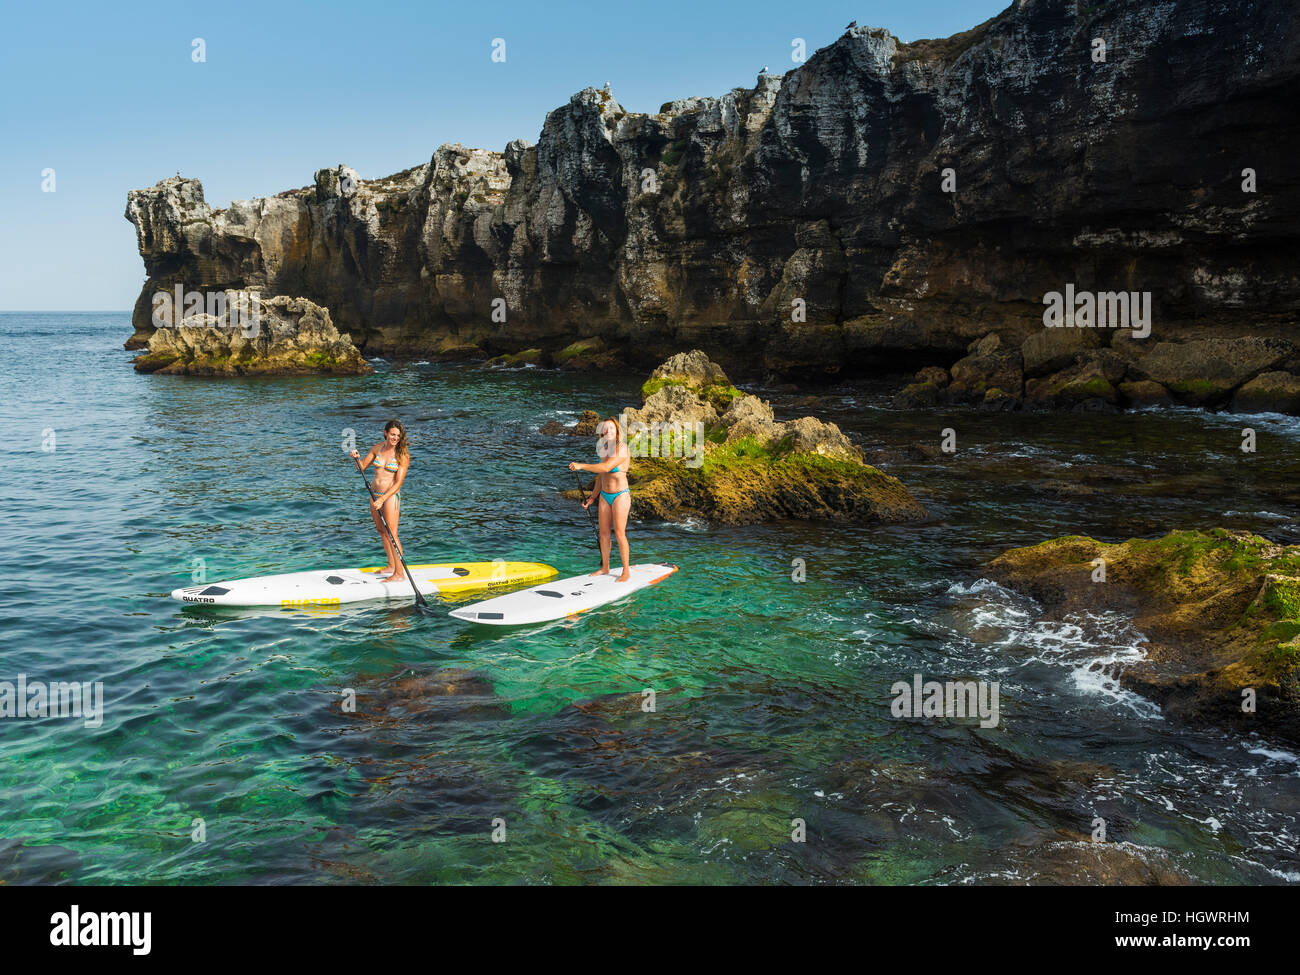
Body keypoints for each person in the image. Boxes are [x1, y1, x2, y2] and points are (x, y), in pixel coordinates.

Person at [569, 417, 633, 582]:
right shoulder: (604, 449)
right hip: (604, 495)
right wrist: (592, 498)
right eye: (605, 429)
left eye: (611, 428)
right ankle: (605, 567)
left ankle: (626, 571)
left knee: (619, 534)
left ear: (617, 430)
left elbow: (606, 467)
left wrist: (582, 466)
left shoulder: (622, 449)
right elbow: (601, 476)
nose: (608, 431)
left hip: (620, 495)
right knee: (604, 534)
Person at [350, 419, 411, 582]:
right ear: (385, 433)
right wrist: (356, 458)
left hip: (389, 497)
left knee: (392, 534)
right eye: (392, 434)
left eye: (398, 435)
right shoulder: (377, 448)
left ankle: (399, 574)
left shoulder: (402, 454)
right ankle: (391, 565)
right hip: (374, 494)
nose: (395, 438)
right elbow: (361, 467)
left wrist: (383, 498)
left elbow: (398, 483)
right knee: (381, 531)